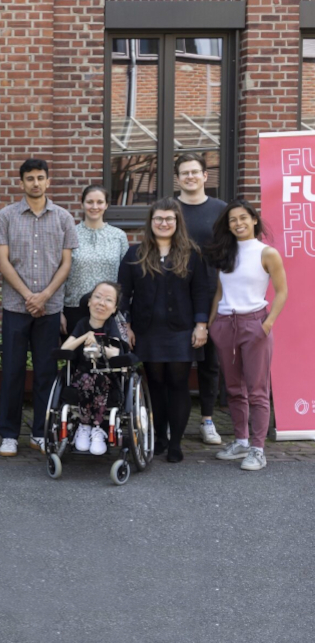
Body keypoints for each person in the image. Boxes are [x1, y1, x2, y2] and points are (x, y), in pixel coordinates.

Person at [0, 158, 78, 457]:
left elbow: (66, 263)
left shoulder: (64, 218)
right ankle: (8, 434)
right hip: (16, 307)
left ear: (48, 181)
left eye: (41, 177)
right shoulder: (5, 216)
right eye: (30, 178)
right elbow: (3, 262)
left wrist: (44, 297)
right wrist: (30, 295)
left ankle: (41, 432)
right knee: (12, 371)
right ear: (21, 183)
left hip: (50, 308)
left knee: (45, 372)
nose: (36, 183)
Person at [118, 198, 209, 464]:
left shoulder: (192, 253)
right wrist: (127, 326)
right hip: (147, 330)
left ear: (177, 222)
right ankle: (159, 437)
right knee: (156, 385)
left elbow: (201, 292)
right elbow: (123, 293)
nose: (164, 223)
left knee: (178, 384)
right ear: (151, 222)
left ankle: (176, 443)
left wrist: (201, 325)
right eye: (158, 218)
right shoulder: (134, 254)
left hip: (182, 330)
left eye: (169, 218)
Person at [206, 200, 287, 472]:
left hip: (255, 323)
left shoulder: (267, 253)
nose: (238, 223)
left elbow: (282, 291)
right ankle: (240, 441)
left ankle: (257, 448)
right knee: (233, 389)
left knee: (257, 390)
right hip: (225, 324)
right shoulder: (225, 253)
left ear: (254, 219)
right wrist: (211, 324)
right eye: (232, 220)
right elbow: (220, 292)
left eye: (243, 218)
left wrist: (268, 324)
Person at [176, 153, 228, 446]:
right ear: (178, 178)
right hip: (177, 294)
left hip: (212, 293)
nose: (190, 177)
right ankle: (175, 419)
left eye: (195, 172)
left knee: (210, 362)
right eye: (185, 173)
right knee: (179, 361)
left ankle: (207, 420)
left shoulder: (221, 211)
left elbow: (228, 254)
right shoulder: (171, 209)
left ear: (205, 176)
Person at [60, 281, 125, 456]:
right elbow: (65, 349)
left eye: (108, 300)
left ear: (114, 308)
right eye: (97, 297)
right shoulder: (82, 323)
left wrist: (99, 347)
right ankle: (84, 425)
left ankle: (97, 428)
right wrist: (85, 336)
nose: (101, 303)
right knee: (86, 378)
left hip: (107, 376)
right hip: (82, 376)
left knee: (98, 378)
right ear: (89, 301)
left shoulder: (111, 325)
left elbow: (116, 353)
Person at [62, 186, 129, 336]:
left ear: (106, 205)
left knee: (108, 357)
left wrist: (125, 313)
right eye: (90, 202)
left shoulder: (118, 236)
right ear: (82, 204)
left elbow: (126, 277)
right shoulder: (70, 234)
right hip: (74, 309)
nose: (94, 207)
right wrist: (59, 311)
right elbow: (61, 274)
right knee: (78, 357)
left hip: (109, 311)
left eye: (100, 202)